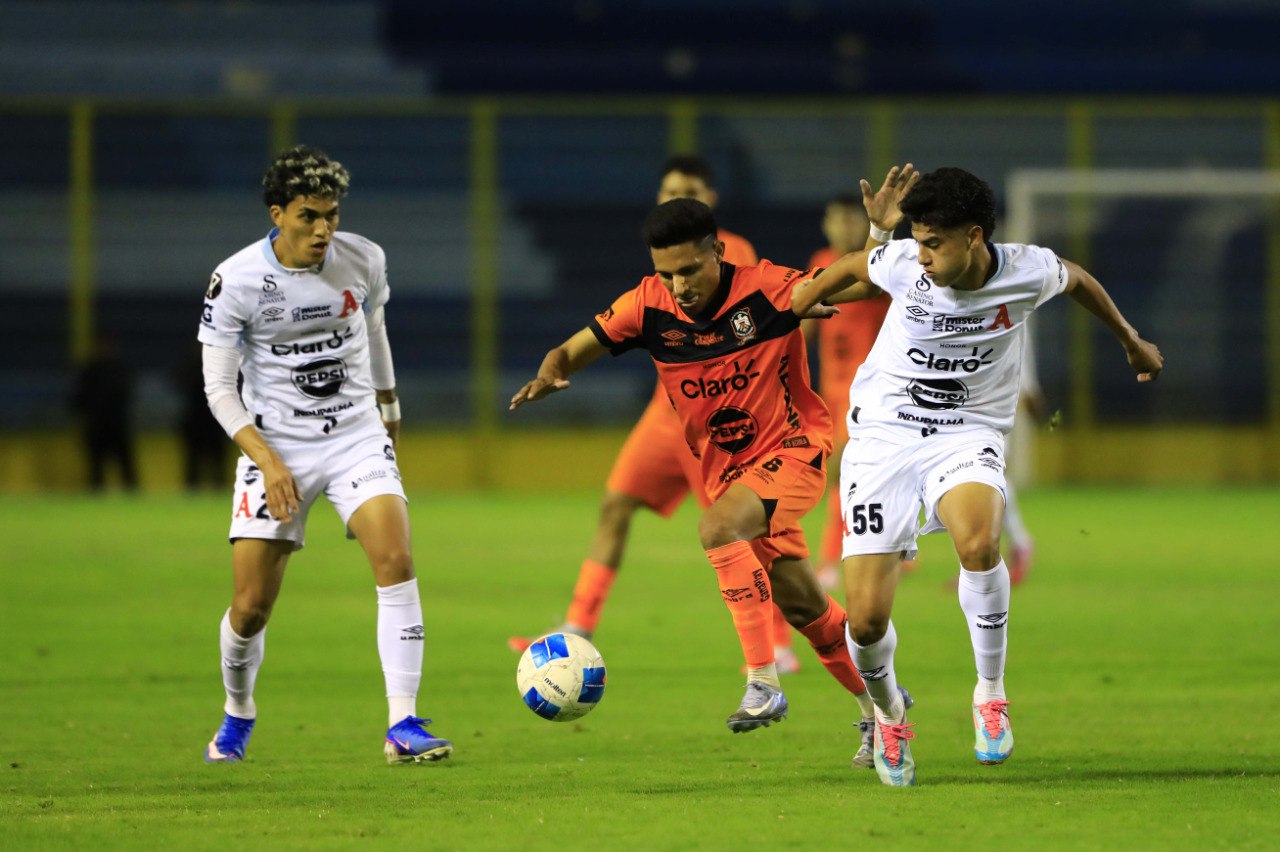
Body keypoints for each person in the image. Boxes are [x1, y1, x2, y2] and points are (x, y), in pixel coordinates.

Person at [511, 178, 920, 763]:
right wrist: (552, 368)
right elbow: (579, 345)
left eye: (690, 271)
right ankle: (883, 708)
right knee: (806, 609)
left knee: (716, 528)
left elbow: (858, 282)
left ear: (718, 253)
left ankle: (763, 681)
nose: (680, 286)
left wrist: (879, 235)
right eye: (668, 273)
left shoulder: (769, 290)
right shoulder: (647, 305)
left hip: (794, 449)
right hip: (728, 474)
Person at [791, 165, 1163, 786]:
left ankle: (990, 693)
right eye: (916, 240)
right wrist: (797, 303)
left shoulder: (1026, 268)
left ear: (973, 236)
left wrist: (1129, 339)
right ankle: (889, 716)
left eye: (934, 242)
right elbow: (856, 268)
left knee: (979, 540)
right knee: (865, 620)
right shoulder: (904, 261)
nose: (923, 254)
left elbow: (1077, 280)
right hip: (883, 437)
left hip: (966, 433)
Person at [197, 145, 450, 765]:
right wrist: (269, 461)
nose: (323, 229)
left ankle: (404, 724)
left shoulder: (363, 259)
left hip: (354, 436)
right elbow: (218, 390)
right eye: (309, 216)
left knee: (395, 559)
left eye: (331, 215)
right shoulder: (236, 281)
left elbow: (373, 329)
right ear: (277, 212)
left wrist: (389, 410)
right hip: (275, 445)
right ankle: (237, 711)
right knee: (252, 607)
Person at [509, 154, 801, 677]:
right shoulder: (665, 257)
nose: (670, 198)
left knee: (742, 531)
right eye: (665, 189)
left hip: (717, 423)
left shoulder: (729, 256)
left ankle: (779, 643)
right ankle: (579, 626)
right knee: (615, 504)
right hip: (664, 416)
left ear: (710, 197)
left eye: (683, 189)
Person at [801, 195, 892, 588]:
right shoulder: (820, 262)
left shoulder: (881, 265)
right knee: (865, 473)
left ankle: (827, 561)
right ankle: (893, 547)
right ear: (826, 224)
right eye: (837, 220)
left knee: (842, 469)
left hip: (870, 388)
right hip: (830, 389)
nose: (845, 228)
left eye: (851, 220)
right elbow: (804, 322)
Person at [71, 335, 138, 491]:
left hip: (116, 424)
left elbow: (128, 394)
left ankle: (133, 497)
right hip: (97, 426)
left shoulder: (120, 369)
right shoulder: (90, 371)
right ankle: (97, 496)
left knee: (126, 466)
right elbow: (78, 398)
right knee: (96, 467)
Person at [174, 341, 231, 489]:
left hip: (214, 422)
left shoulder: (219, 368)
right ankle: (193, 490)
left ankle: (217, 489)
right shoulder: (197, 368)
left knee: (216, 463)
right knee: (194, 463)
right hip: (200, 421)